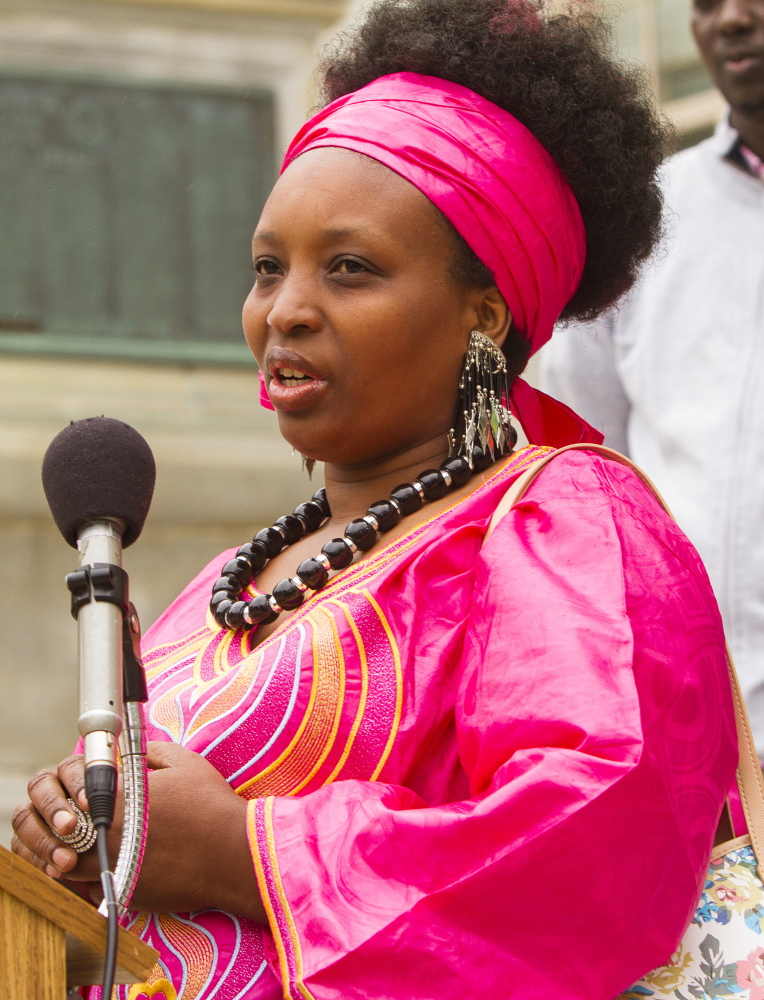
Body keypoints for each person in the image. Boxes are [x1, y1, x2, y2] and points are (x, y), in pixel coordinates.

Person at [10, 1, 737, 997]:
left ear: (481, 312)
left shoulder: (558, 521)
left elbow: (591, 836)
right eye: (267, 267)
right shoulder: (234, 581)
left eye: (348, 268)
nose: (284, 309)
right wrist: (85, 826)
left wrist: (240, 850)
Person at [540, 0, 764, 751]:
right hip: (684, 724)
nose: (731, 20)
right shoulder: (650, 223)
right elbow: (586, 469)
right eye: (704, 3)